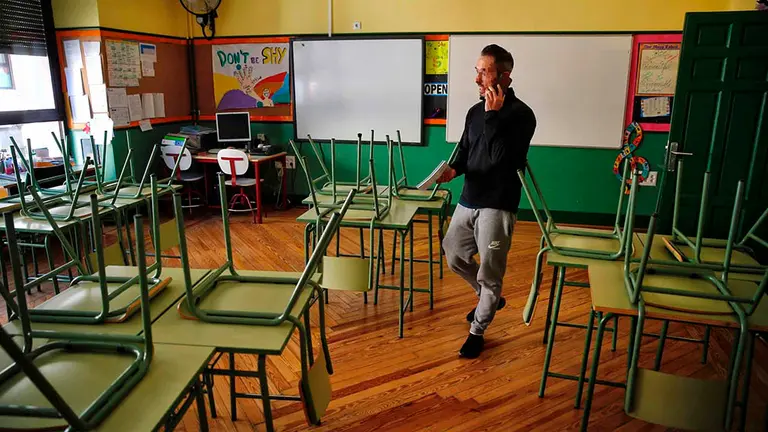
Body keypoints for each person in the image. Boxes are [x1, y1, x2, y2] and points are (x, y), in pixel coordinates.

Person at [437, 44, 536, 359]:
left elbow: (501, 160)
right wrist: (454, 169)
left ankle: (477, 331)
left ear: (504, 76)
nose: (477, 79)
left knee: (490, 274)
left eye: (485, 71)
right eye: (476, 71)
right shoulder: (474, 112)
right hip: (469, 199)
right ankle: (487, 297)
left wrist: (493, 116)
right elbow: (467, 152)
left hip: (498, 203)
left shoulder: (521, 115)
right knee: (453, 255)